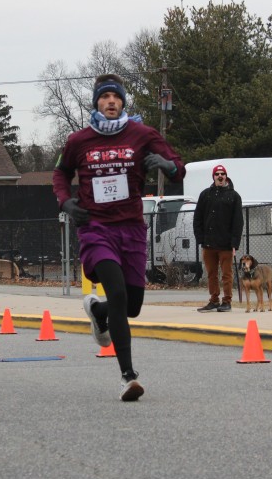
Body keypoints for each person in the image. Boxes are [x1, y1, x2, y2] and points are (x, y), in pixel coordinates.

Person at [53, 74, 185, 401]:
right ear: (96, 103)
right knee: (117, 292)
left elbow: (178, 169)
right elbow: (60, 173)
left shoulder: (142, 134)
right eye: (105, 96)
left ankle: (100, 312)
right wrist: (66, 202)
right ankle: (128, 376)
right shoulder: (78, 140)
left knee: (132, 305)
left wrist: (166, 165)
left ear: (123, 102)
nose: (111, 101)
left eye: (116, 96)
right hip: (96, 228)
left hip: (132, 228)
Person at [193, 164, 243, 313]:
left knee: (227, 274)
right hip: (208, 243)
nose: (220, 176)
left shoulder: (234, 196)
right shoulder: (205, 195)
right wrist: (200, 238)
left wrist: (234, 243)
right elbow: (197, 218)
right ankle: (214, 300)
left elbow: (238, 222)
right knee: (211, 274)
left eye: (222, 174)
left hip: (226, 244)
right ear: (213, 177)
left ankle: (227, 301)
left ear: (226, 176)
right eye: (217, 174)